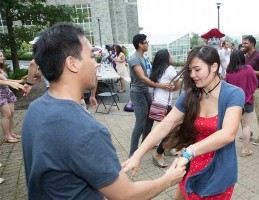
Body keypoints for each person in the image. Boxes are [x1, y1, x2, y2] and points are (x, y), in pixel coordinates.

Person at [21, 22, 185, 200]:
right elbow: (126, 195)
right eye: (91, 57)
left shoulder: (35, 109)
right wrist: (167, 180)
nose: (97, 64)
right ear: (72, 63)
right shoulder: (87, 130)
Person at [123, 45, 244, 199]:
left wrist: (189, 151)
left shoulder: (233, 94)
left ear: (214, 66)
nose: (192, 75)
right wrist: (137, 155)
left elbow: (228, 133)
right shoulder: (190, 96)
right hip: (188, 166)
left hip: (217, 171)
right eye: (190, 70)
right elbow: (165, 125)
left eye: (197, 69)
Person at [128, 34, 172, 157]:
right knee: (140, 122)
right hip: (138, 93)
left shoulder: (144, 57)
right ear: (140, 45)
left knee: (149, 119)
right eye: (146, 42)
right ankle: (133, 153)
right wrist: (160, 86)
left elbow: (150, 75)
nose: (147, 44)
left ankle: (146, 143)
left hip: (145, 92)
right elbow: (142, 78)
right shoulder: (135, 59)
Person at [149, 49, 181, 168]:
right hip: (164, 105)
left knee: (171, 128)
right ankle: (158, 153)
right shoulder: (170, 69)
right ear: (166, 58)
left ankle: (168, 149)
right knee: (172, 128)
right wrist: (172, 88)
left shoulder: (157, 70)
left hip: (157, 103)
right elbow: (178, 86)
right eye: (170, 54)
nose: (172, 56)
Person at [225, 50, 258, 157]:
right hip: (247, 101)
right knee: (246, 126)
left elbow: (227, 87)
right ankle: (245, 149)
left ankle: (228, 149)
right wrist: (249, 93)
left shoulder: (229, 71)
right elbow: (255, 83)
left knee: (232, 126)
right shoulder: (249, 69)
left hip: (233, 102)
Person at [0, 51, 25, 143]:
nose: (2, 57)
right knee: (6, 115)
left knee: (12, 114)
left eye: (2, 55)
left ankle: (11, 133)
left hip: (7, 91)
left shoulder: (1, 69)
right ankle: (7, 136)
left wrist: (20, 81)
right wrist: (11, 83)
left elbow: (7, 80)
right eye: (0, 56)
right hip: (0, 93)